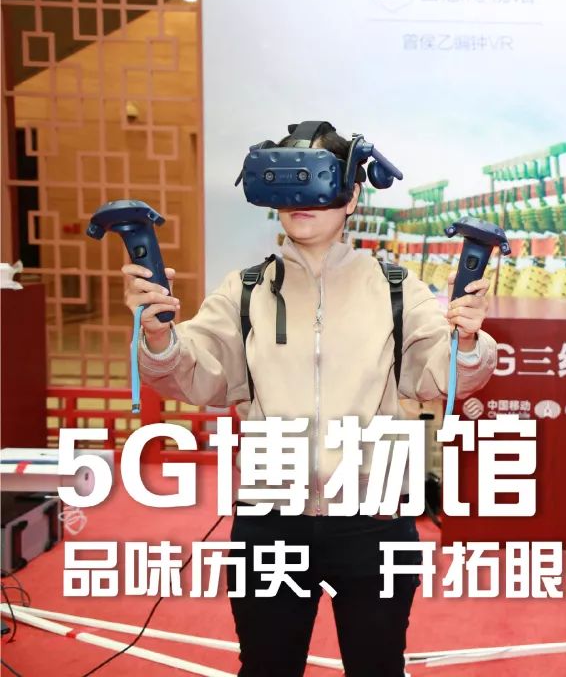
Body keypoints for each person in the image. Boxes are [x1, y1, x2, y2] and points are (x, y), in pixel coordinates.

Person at [122, 126, 497, 676]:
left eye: (316, 179)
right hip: (270, 518)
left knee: (377, 667)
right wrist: (159, 337)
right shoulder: (246, 289)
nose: (300, 198)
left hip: (374, 517)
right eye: (286, 180)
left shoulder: (396, 287)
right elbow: (195, 377)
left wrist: (466, 340)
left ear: (352, 195)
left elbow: (443, 379)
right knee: (267, 667)